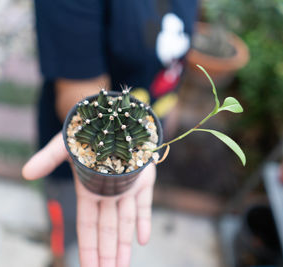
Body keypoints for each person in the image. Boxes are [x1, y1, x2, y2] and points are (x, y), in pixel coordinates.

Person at [22, 1, 198, 266]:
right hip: (77, 169)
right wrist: (106, 147)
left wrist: (171, 103)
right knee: (67, 236)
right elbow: (78, 87)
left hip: (148, 127)